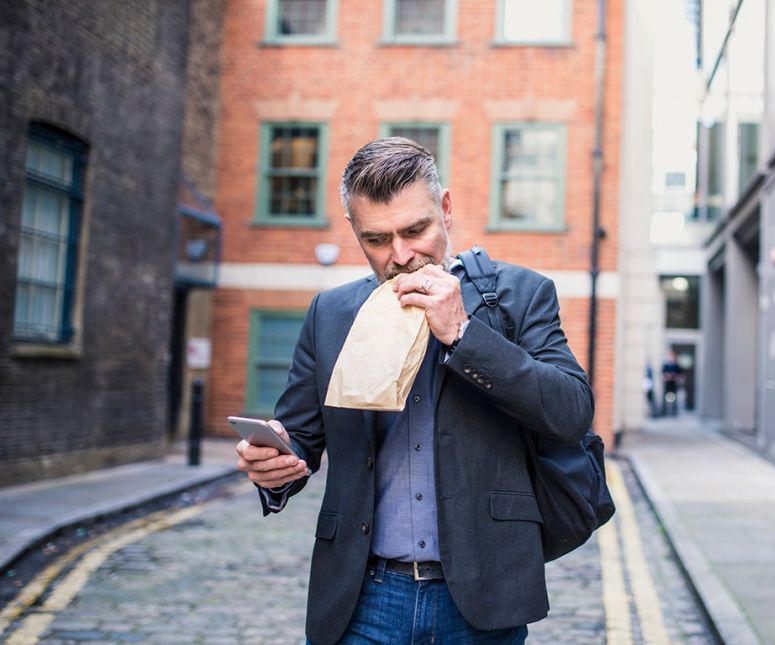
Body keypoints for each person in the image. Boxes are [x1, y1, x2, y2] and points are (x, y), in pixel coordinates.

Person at [235, 138, 594, 645]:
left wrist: (464, 334)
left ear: (445, 209)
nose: (401, 256)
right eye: (377, 239)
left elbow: (571, 412)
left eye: (415, 230)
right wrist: (274, 465)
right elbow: (299, 439)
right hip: (362, 599)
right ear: (354, 230)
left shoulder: (521, 295)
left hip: (482, 596)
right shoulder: (330, 314)